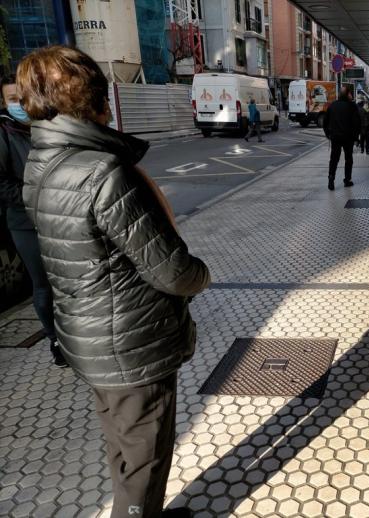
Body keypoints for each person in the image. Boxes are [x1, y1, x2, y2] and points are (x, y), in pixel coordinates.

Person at [17, 45, 211, 518]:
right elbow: (173, 271)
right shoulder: (104, 172)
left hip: (87, 335)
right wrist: (201, 271)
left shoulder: (41, 162)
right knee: (145, 458)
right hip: (132, 345)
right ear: (96, 101)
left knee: (124, 445)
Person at [0, 74, 65, 367]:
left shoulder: (48, 127)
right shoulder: (4, 133)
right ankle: (56, 340)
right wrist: (36, 198)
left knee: (71, 280)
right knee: (44, 285)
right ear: (4, 102)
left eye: (22, 97)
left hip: (60, 217)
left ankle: (77, 337)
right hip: (26, 222)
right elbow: (2, 184)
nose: (19, 104)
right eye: (12, 99)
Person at [323, 86, 360, 191]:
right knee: (348, 159)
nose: (351, 96)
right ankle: (347, 180)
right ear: (348, 94)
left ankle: (331, 179)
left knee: (334, 159)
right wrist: (356, 137)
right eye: (350, 94)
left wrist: (328, 134)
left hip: (335, 137)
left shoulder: (332, 106)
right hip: (348, 138)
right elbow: (357, 123)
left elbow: (325, 122)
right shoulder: (352, 106)